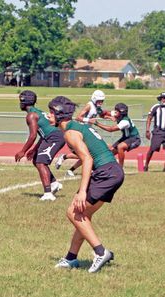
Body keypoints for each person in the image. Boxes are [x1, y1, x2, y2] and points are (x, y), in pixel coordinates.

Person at [48, 96, 124, 273]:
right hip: (112, 171)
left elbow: (87, 158)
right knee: (82, 216)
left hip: (105, 173)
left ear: (59, 115)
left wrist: (82, 191)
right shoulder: (79, 127)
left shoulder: (70, 132)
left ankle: (100, 252)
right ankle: (71, 258)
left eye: (51, 112)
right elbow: (96, 150)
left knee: (73, 212)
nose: (48, 115)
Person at [15, 90, 64, 201]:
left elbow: (32, 136)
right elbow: (42, 134)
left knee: (41, 162)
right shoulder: (37, 112)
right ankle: (54, 183)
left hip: (55, 137)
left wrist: (22, 151)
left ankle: (48, 194)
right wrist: (34, 149)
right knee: (37, 159)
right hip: (52, 136)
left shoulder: (31, 115)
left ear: (24, 102)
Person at [55, 90, 112, 177]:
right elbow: (78, 117)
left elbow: (101, 114)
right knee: (85, 154)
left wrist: (109, 116)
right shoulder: (89, 105)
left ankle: (70, 169)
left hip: (88, 131)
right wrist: (88, 120)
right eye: (99, 100)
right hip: (80, 131)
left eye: (102, 101)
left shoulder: (96, 107)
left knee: (87, 155)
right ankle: (65, 159)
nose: (100, 102)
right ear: (94, 99)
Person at [94, 103, 141, 167]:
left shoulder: (125, 122)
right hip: (125, 137)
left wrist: (97, 123)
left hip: (134, 138)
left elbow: (111, 129)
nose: (115, 113)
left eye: (117, 112)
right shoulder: (118, 114)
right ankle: (104, 166)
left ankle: (120, 168)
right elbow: (104, 114)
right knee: (110, 152)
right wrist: (101, 111)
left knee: (120, 147)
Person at [144, 92, 165, 172]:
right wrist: (147, 130)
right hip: (158, 131)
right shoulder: (156, 107)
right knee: (152, 148)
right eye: (162, 98)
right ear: (160, 99)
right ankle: (146, 165)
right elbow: (149, 118)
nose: (164, 99)